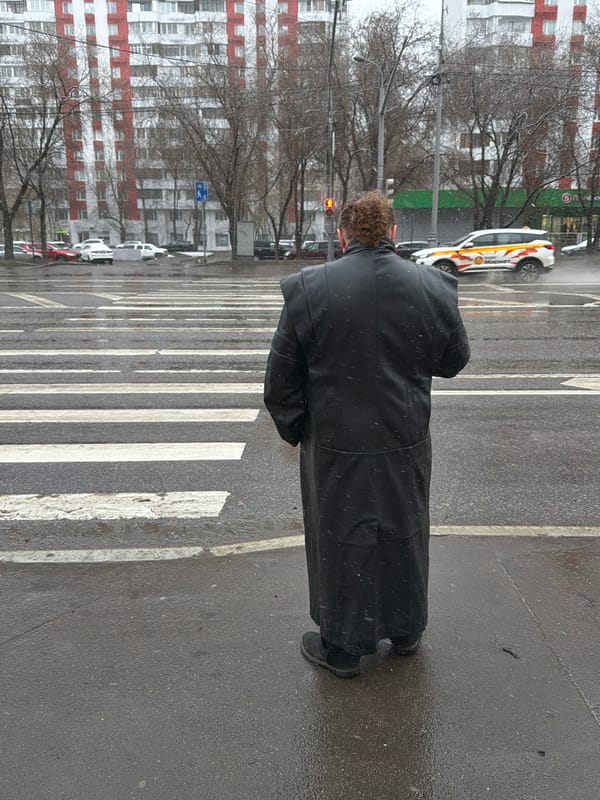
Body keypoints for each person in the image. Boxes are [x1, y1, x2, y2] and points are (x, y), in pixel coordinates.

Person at [264, 191, 471, 678]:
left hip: (337, 444)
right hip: (405, 437)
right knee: (405, 530)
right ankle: (405, 632)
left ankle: (343, 646)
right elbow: (453, 361)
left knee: (341, 538)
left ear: (343, 236)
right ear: (393, 232)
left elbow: (281, 381)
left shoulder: (310, 288)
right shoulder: (432, 285)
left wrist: (300, 432)